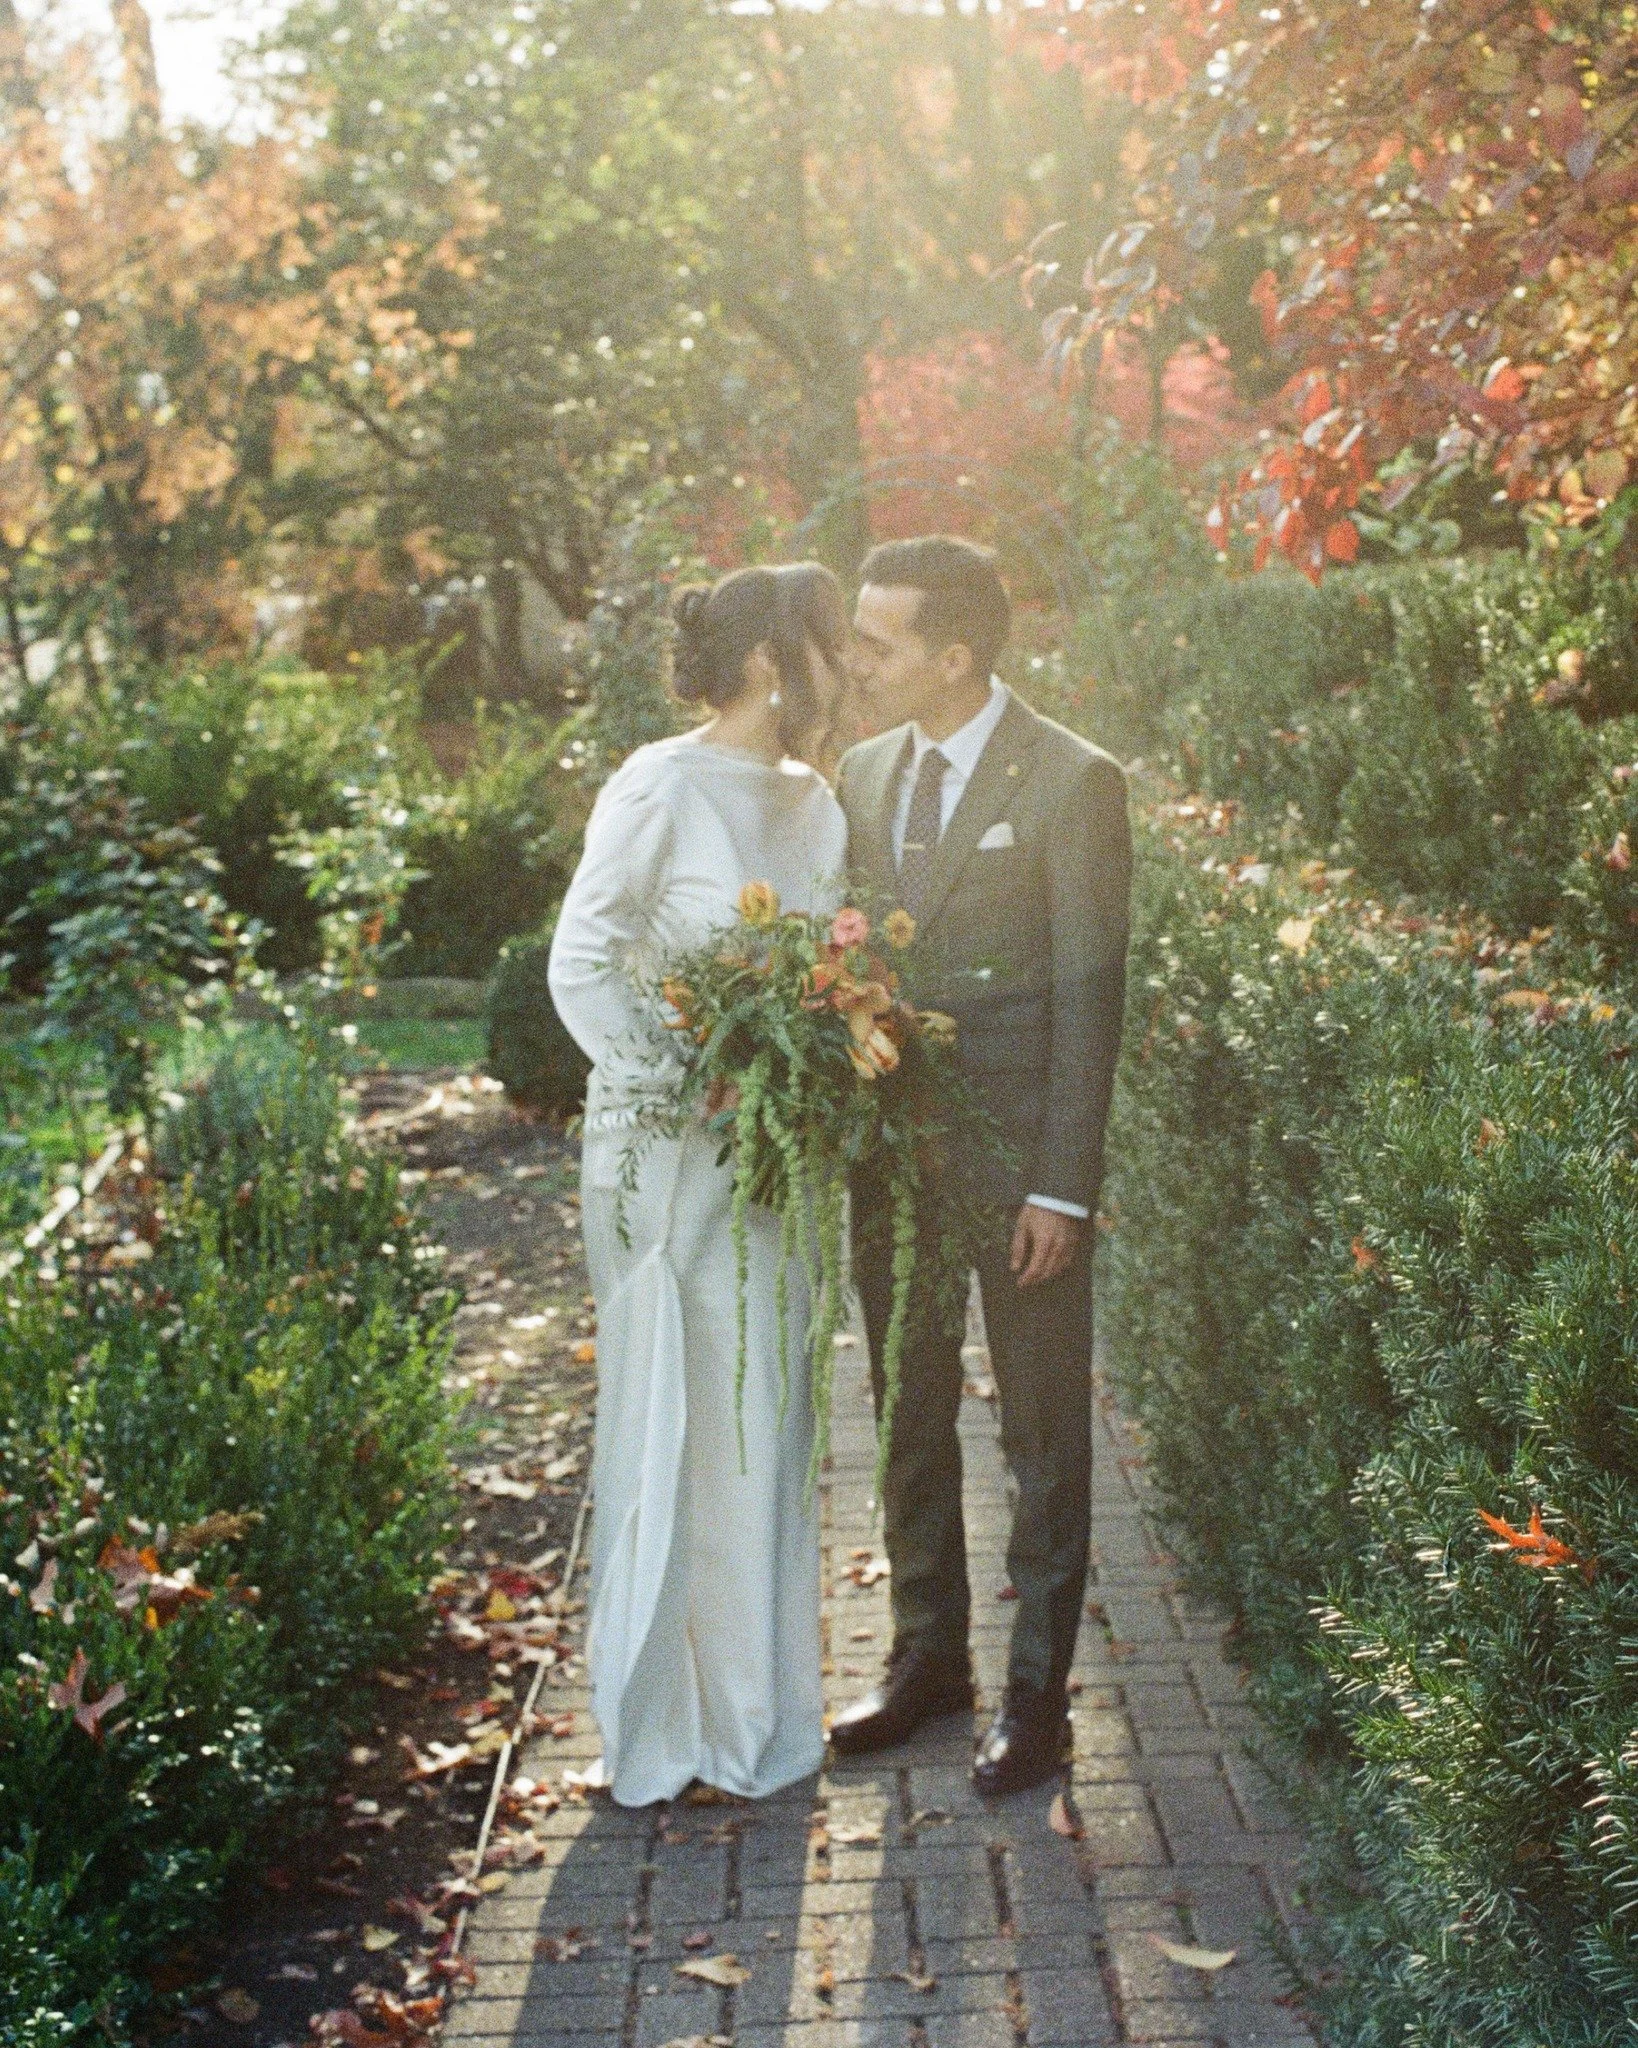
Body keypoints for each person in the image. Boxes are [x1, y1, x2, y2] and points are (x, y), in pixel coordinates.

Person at [547, 562, 852, 1806]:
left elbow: (827, 968)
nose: (850, 669)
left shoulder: (819, 801)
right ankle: (659, 1728)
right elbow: (582, 957)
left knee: (761, 1423)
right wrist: (685, 1075)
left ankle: (753, 1718)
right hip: (663, 1151)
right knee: (677, 1410)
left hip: (776, 1153)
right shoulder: (658, 783)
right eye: (832, 645)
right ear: (777, 661)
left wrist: (814, 1060)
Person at [831, 535, 1132, 1795]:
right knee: (906, 1416)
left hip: (1024, 1178)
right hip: (892, 1159)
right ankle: (926, 1662)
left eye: (878, 641)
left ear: (953, 655)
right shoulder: (855, 772)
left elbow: (1090, 999)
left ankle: (1035, 1697)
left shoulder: (1073, 779)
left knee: (1044, 1436)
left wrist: (1063, 1185)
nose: (855, 661)